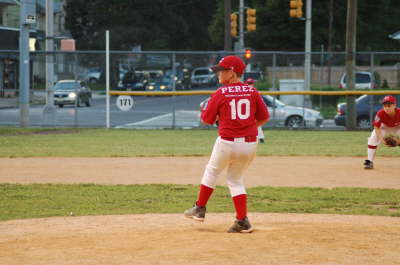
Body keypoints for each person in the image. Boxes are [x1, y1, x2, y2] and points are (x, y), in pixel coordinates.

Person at [184, 56, 270, 233]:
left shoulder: (221, 93)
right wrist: (247, 128)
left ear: (231, 73)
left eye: (221, 70)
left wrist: (207, 112)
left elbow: (207, 120)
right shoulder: (252, 91)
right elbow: (264, 117)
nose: (218, 73)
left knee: (212, 171)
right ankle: (242, 221)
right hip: (249, 144)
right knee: (235, 179)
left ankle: (199, 209)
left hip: (227, 142)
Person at [364, 95, 400, 169]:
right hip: (384, 127)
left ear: (394, 105)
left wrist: (399, 142)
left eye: (389, 105)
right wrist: (383, 141)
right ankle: (369, 162)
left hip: (397, 127)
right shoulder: (380, 113)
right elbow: (377, 128)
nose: (387, 108)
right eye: (385, 105)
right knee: (373, 138)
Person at [245, 77, 265, 143]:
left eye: (249, 83)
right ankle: (260, 138)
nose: (250, 84)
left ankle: (255, 138)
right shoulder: (255, 91)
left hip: (247, 111)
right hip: (253, 110)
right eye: (249, 83)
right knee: (257, 124)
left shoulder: (244, 90)